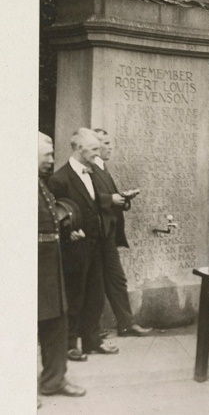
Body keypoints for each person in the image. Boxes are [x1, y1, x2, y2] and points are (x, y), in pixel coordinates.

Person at [47, 128, 119, 360]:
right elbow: (53, 214)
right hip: (74, 249)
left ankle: (91, 341)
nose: (98, 153)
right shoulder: (59, 178)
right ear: (79, 149)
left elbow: (98, 204)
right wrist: (68, 232)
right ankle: (69, 344)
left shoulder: (93, 172)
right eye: (94, 149)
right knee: (74, 296)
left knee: (95, 295)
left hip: (96, 244)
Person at [37, 133, 86, 399]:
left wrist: (66, 231)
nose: (52, 160)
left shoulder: (40, 183)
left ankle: (54, 380)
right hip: (30, 269)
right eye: (47, 155)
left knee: (56, 323)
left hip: (50, 266)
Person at [92, 129, 151, 337]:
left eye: (110, 143)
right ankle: (94, 330)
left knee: (115, 280)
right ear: (94, 145)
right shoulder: (89, 169)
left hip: (107, 234)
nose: (110, 147)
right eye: (105, 143)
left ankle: (126, 324)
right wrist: (111, 199)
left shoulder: (102, 168)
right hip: (97, 235)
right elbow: (86, 199)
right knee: (97, 283)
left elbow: (106, 197)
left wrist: (123, 199)